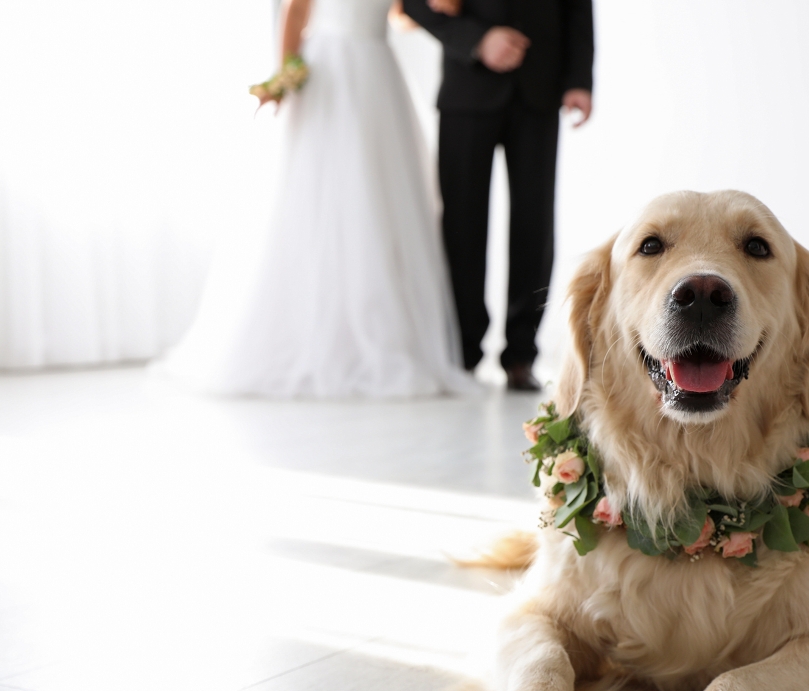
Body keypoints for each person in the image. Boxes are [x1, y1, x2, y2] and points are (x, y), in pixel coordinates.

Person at [157, 0, 472, 399]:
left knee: (380, 205)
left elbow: (405, 14)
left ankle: (382, 333)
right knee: (324, 197)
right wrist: (285, 75)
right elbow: (296, 10)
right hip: (330, 71)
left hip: (378, 73)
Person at [401, 0, 594, 391]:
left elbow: (577, 6)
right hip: (467, 88)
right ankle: (463, 352)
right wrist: (478, 40)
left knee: (534, 225)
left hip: (540, 89)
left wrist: (579, 79)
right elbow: (413, 4)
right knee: (461, 225)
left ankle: (521, 354)